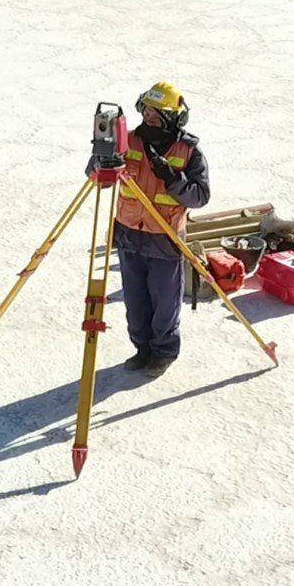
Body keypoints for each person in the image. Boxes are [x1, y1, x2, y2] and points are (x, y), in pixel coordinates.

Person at [107, 82, 210, 377]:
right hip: (129, 235)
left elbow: (200, 196)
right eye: (147, 113)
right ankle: (142, 350)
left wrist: (173, 179)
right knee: (135, 303)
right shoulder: (128, 140)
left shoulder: (189, 152)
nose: (149, 120)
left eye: (157, 116)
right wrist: (103, 161)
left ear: (173, 119)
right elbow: (96, 175)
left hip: (164, 239)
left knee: (164, 305)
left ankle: (163, 352)